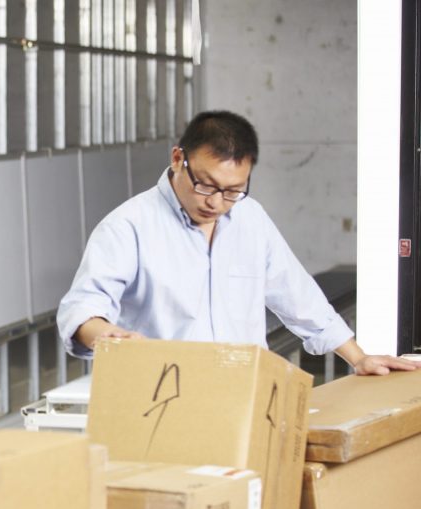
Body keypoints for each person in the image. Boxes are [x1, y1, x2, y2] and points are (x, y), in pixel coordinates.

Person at [57, 110, 418, 376]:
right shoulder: (128, 226)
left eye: (232, 190)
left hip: (245, 396)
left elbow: (297, 295)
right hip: (163, 399)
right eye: (206, 185)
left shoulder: (250, 217)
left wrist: (358, 358)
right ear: (178, 158)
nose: (216, 202)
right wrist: (109, 335)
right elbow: (83, 306)